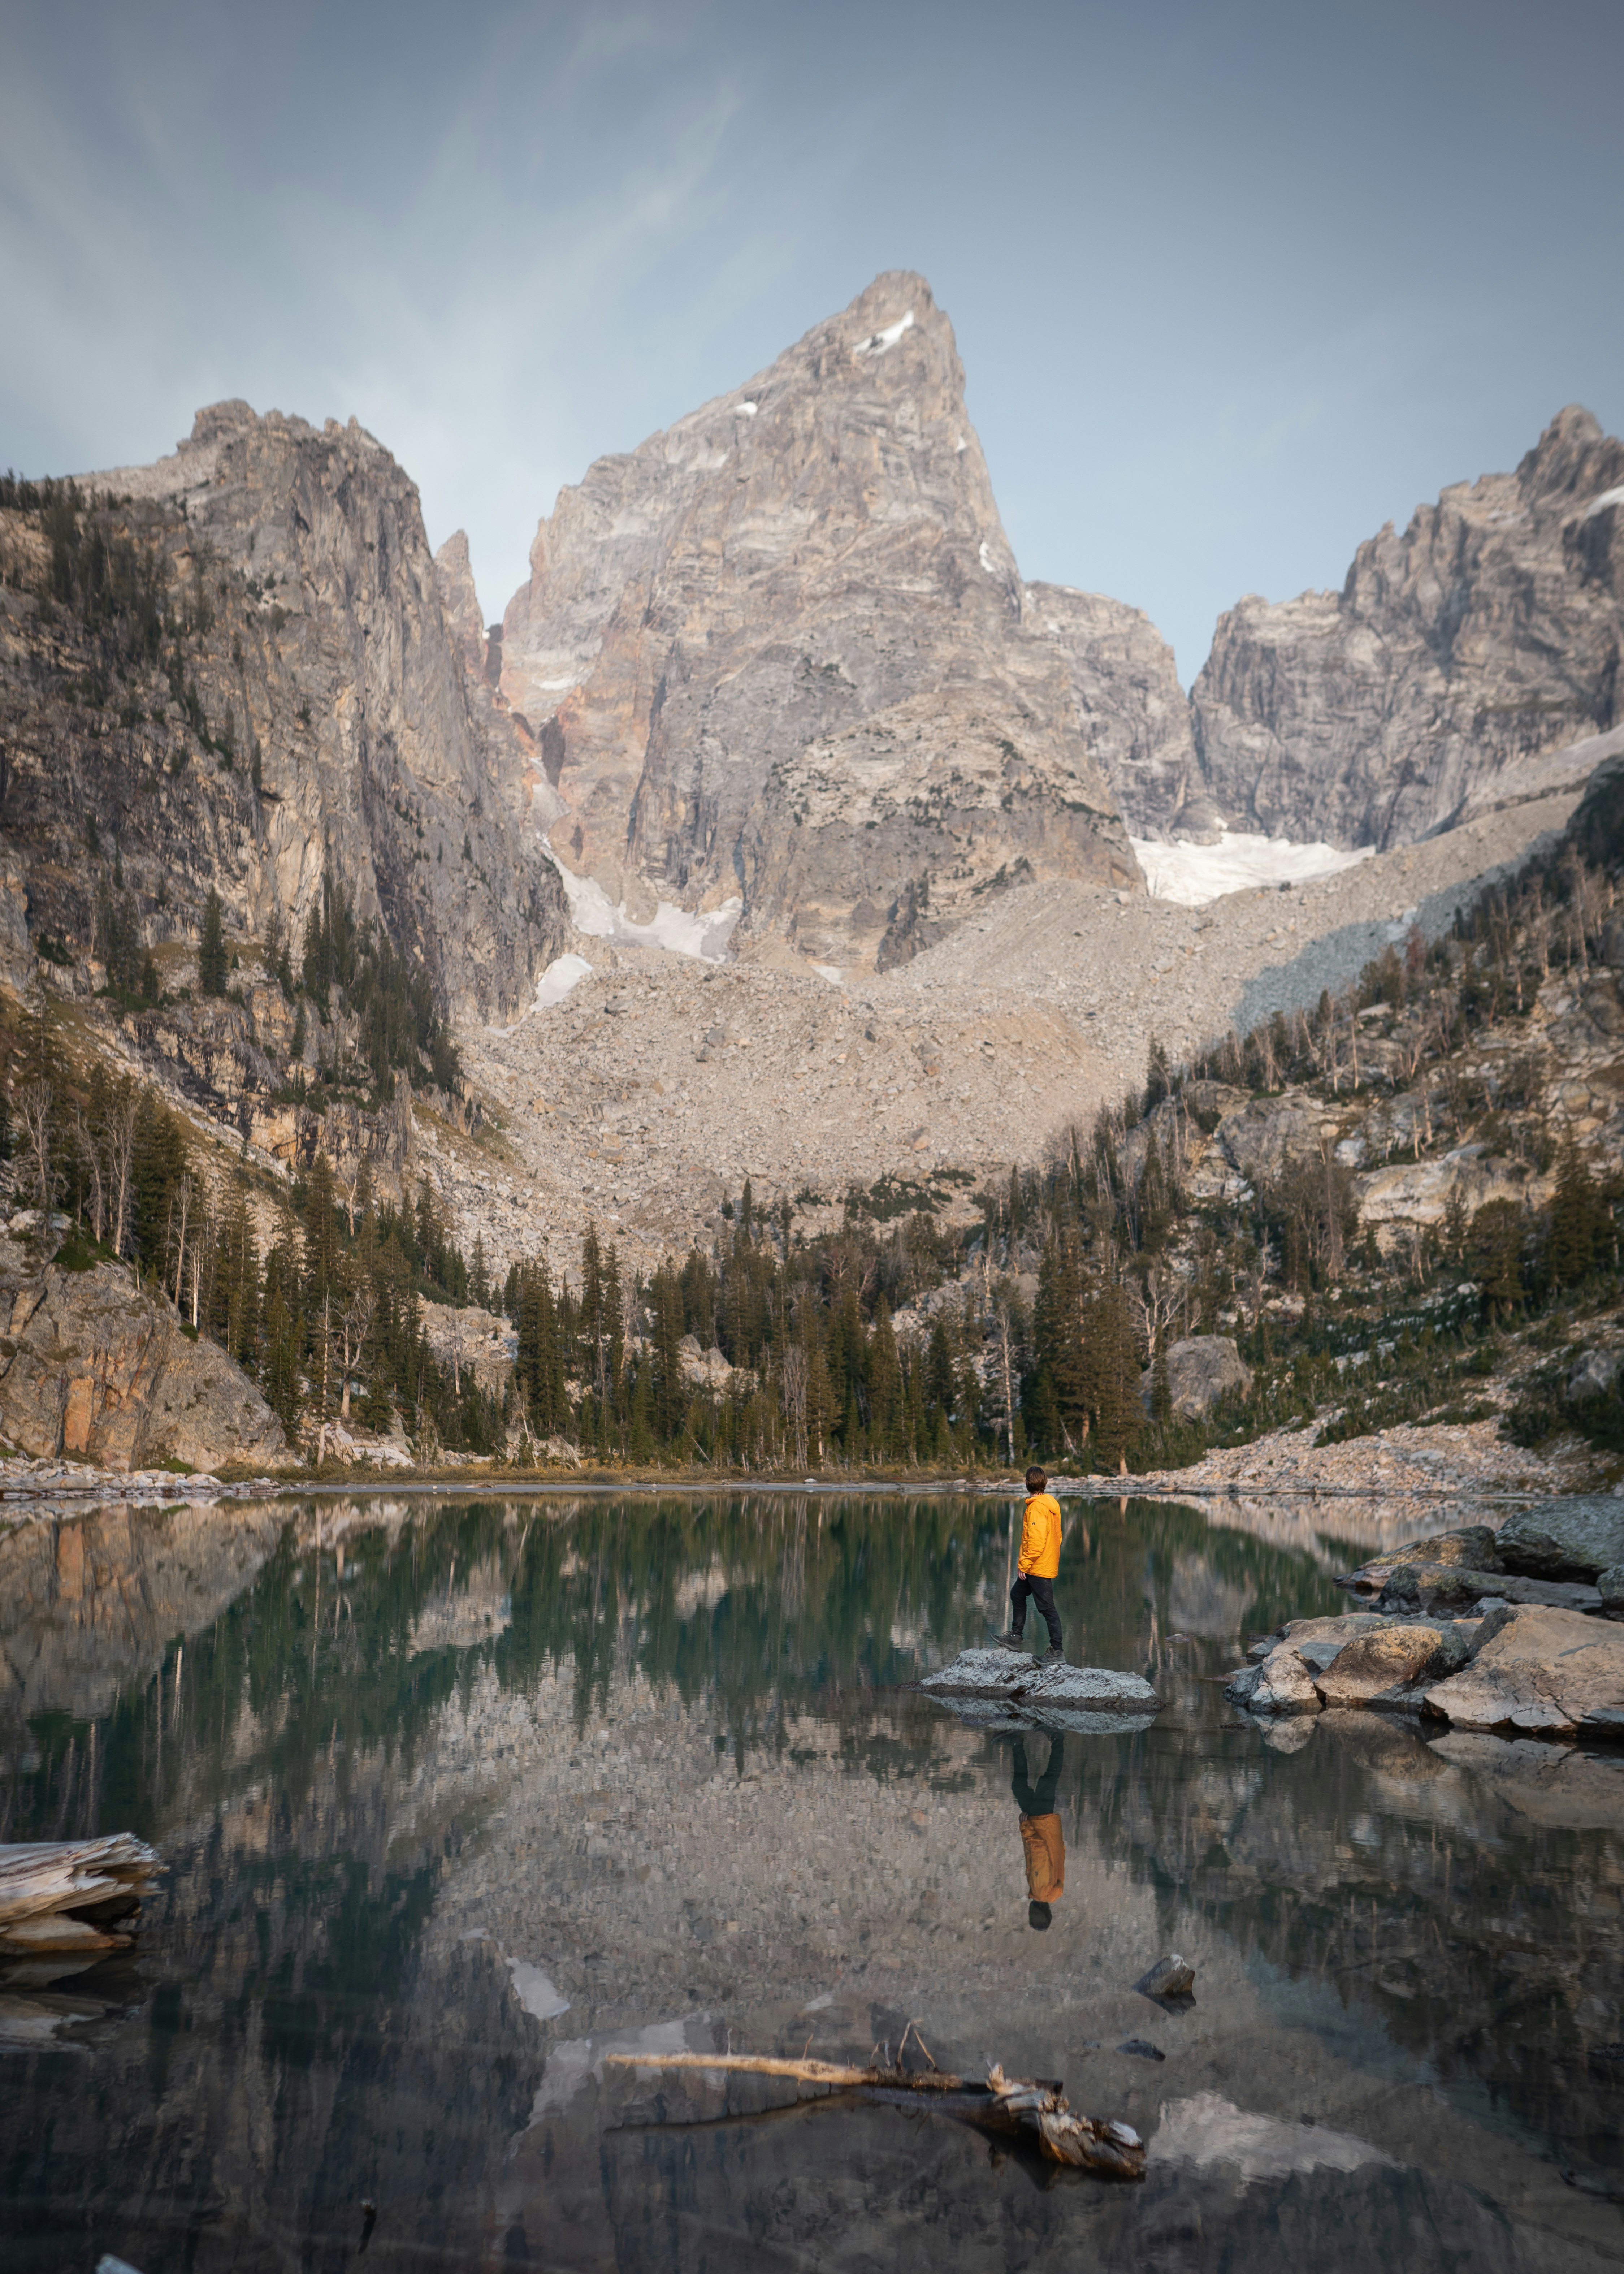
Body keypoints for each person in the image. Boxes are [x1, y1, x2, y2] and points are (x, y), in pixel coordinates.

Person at [996, 1465, 1064, 1661]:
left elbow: (1035, 1542)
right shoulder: (1050, 1504)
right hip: (1042, 1563)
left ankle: (1057, 1651)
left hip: (1037, 1566)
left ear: (1027, 1483)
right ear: (1044, 1483)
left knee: (1047, 1608)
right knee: (1017, 1594)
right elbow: (1058, 1537)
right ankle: (1015, 1637)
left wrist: (1024, 1565)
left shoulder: (1036, 1508)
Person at [1012, 1732, 1065, 1929]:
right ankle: (1058, 1739)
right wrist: (1025, 1828)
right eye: (1033, 1916)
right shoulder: (1041, 1890)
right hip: (1040, 1824)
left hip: (1045, 1827)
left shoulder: (1052, 1891)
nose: (1030, 1913)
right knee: (1048, 1780)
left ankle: (1017, 1743)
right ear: (1037, 1911)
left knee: (1020, 1787)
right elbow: (1039, 1853)